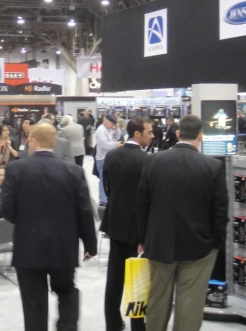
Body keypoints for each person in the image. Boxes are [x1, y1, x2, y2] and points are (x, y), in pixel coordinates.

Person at [0, 122, 97, 331]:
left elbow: (6, 209)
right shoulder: (74, 171)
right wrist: (90, 244)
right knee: (67, 292)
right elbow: (84, 210)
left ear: (32, 141)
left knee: (33, 302)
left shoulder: (16, 169)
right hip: (64, 245)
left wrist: (26, 221)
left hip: (28, 245)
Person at [137, 115, 228, 331]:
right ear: (200, 137)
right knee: (190, 304)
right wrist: (216, 242)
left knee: (157, 300)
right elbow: (220, 210)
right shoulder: (213, 166)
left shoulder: (153, 161)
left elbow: (142, 204)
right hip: (198, 246)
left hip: (160, 244)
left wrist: (142, 239)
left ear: (177, 134)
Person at [102, 117, 153, 331]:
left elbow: (107, 187)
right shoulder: (147, 161)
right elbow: (149, 197)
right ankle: (137, 325)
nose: (152, 135)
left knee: (114, 277)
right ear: (137, 133)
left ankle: (113, 323)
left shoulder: (112, 156)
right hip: (138, 229)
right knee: (138, 279)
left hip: (116, 225)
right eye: (149, 132)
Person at [95, 113, 122, 206]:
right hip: (102, 158)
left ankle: (108, 197)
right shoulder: (101, 130)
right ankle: (102, 200)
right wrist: (116, 145)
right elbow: (104, 145)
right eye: (112, 123)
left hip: (109, 157)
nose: (113, 125)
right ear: (106, 121)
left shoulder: (110, 129)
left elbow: (117, 137)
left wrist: (117, 128)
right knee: (103, 180)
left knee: (109, 179)